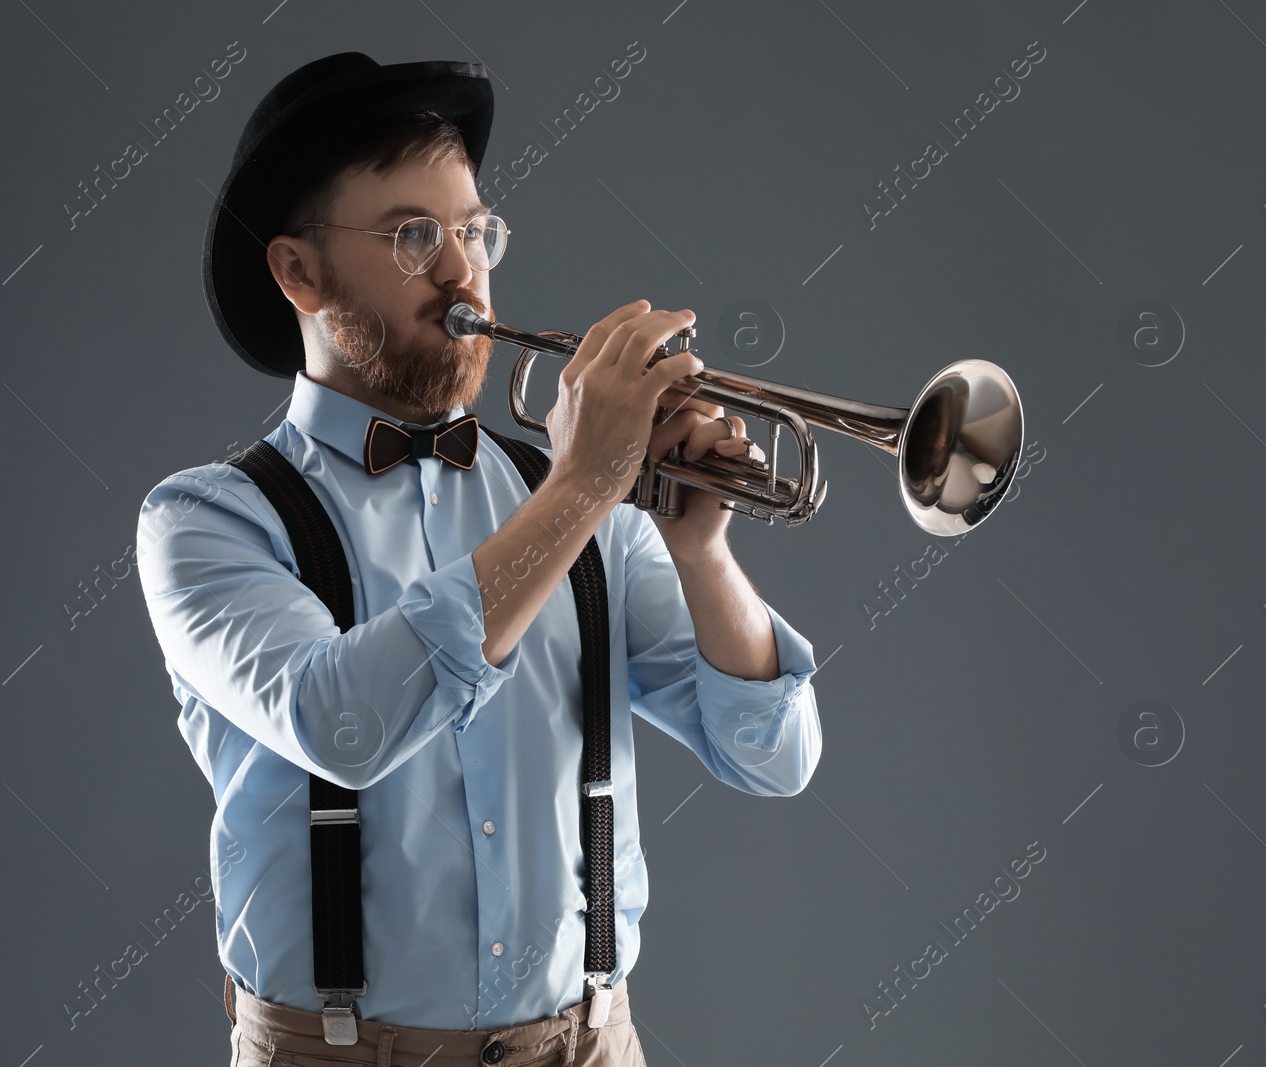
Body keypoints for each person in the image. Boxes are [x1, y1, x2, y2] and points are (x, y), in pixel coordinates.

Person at [137, 52, 822, 1067]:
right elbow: (346, 720)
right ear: (299, 270)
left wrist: (699, 548)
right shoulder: (205, 521)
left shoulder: (580, 500)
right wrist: (582, 486)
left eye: (474, 230)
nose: (462, 270)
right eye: (413, 235)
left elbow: (776, 759)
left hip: (589, 1045)